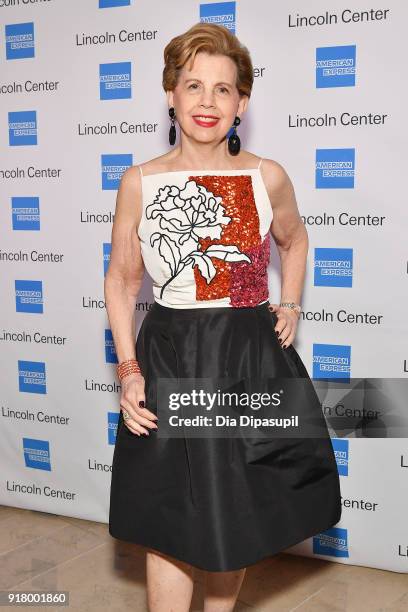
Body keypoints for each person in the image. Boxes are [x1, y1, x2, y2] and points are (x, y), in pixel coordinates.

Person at [105, 22, 342, 612]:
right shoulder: (139, 182)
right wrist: (129, 369)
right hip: (169, 352)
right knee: (170, 510)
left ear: (243, 102)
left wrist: (288, 303)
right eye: (193, 86)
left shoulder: (267, 176)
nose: (207, 102)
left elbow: (295, 240)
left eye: (223, 89)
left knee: (229, 507)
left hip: (245, 354)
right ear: (171, 94)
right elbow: (123, 279)